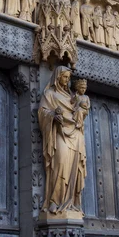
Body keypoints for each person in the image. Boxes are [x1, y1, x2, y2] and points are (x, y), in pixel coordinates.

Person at [38, 66, 87, 215]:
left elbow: (82, 110)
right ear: (57, 77)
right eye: (64, 77)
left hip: (76, 135)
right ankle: (54, 200)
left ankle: (71, 202)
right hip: (60, 133)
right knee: (60, 164)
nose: (67, 81)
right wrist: (53, 115)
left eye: (68, 78)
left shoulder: (72, 97)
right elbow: (42, 112)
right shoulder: (50, 94)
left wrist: (82, 111)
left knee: (74, 169)